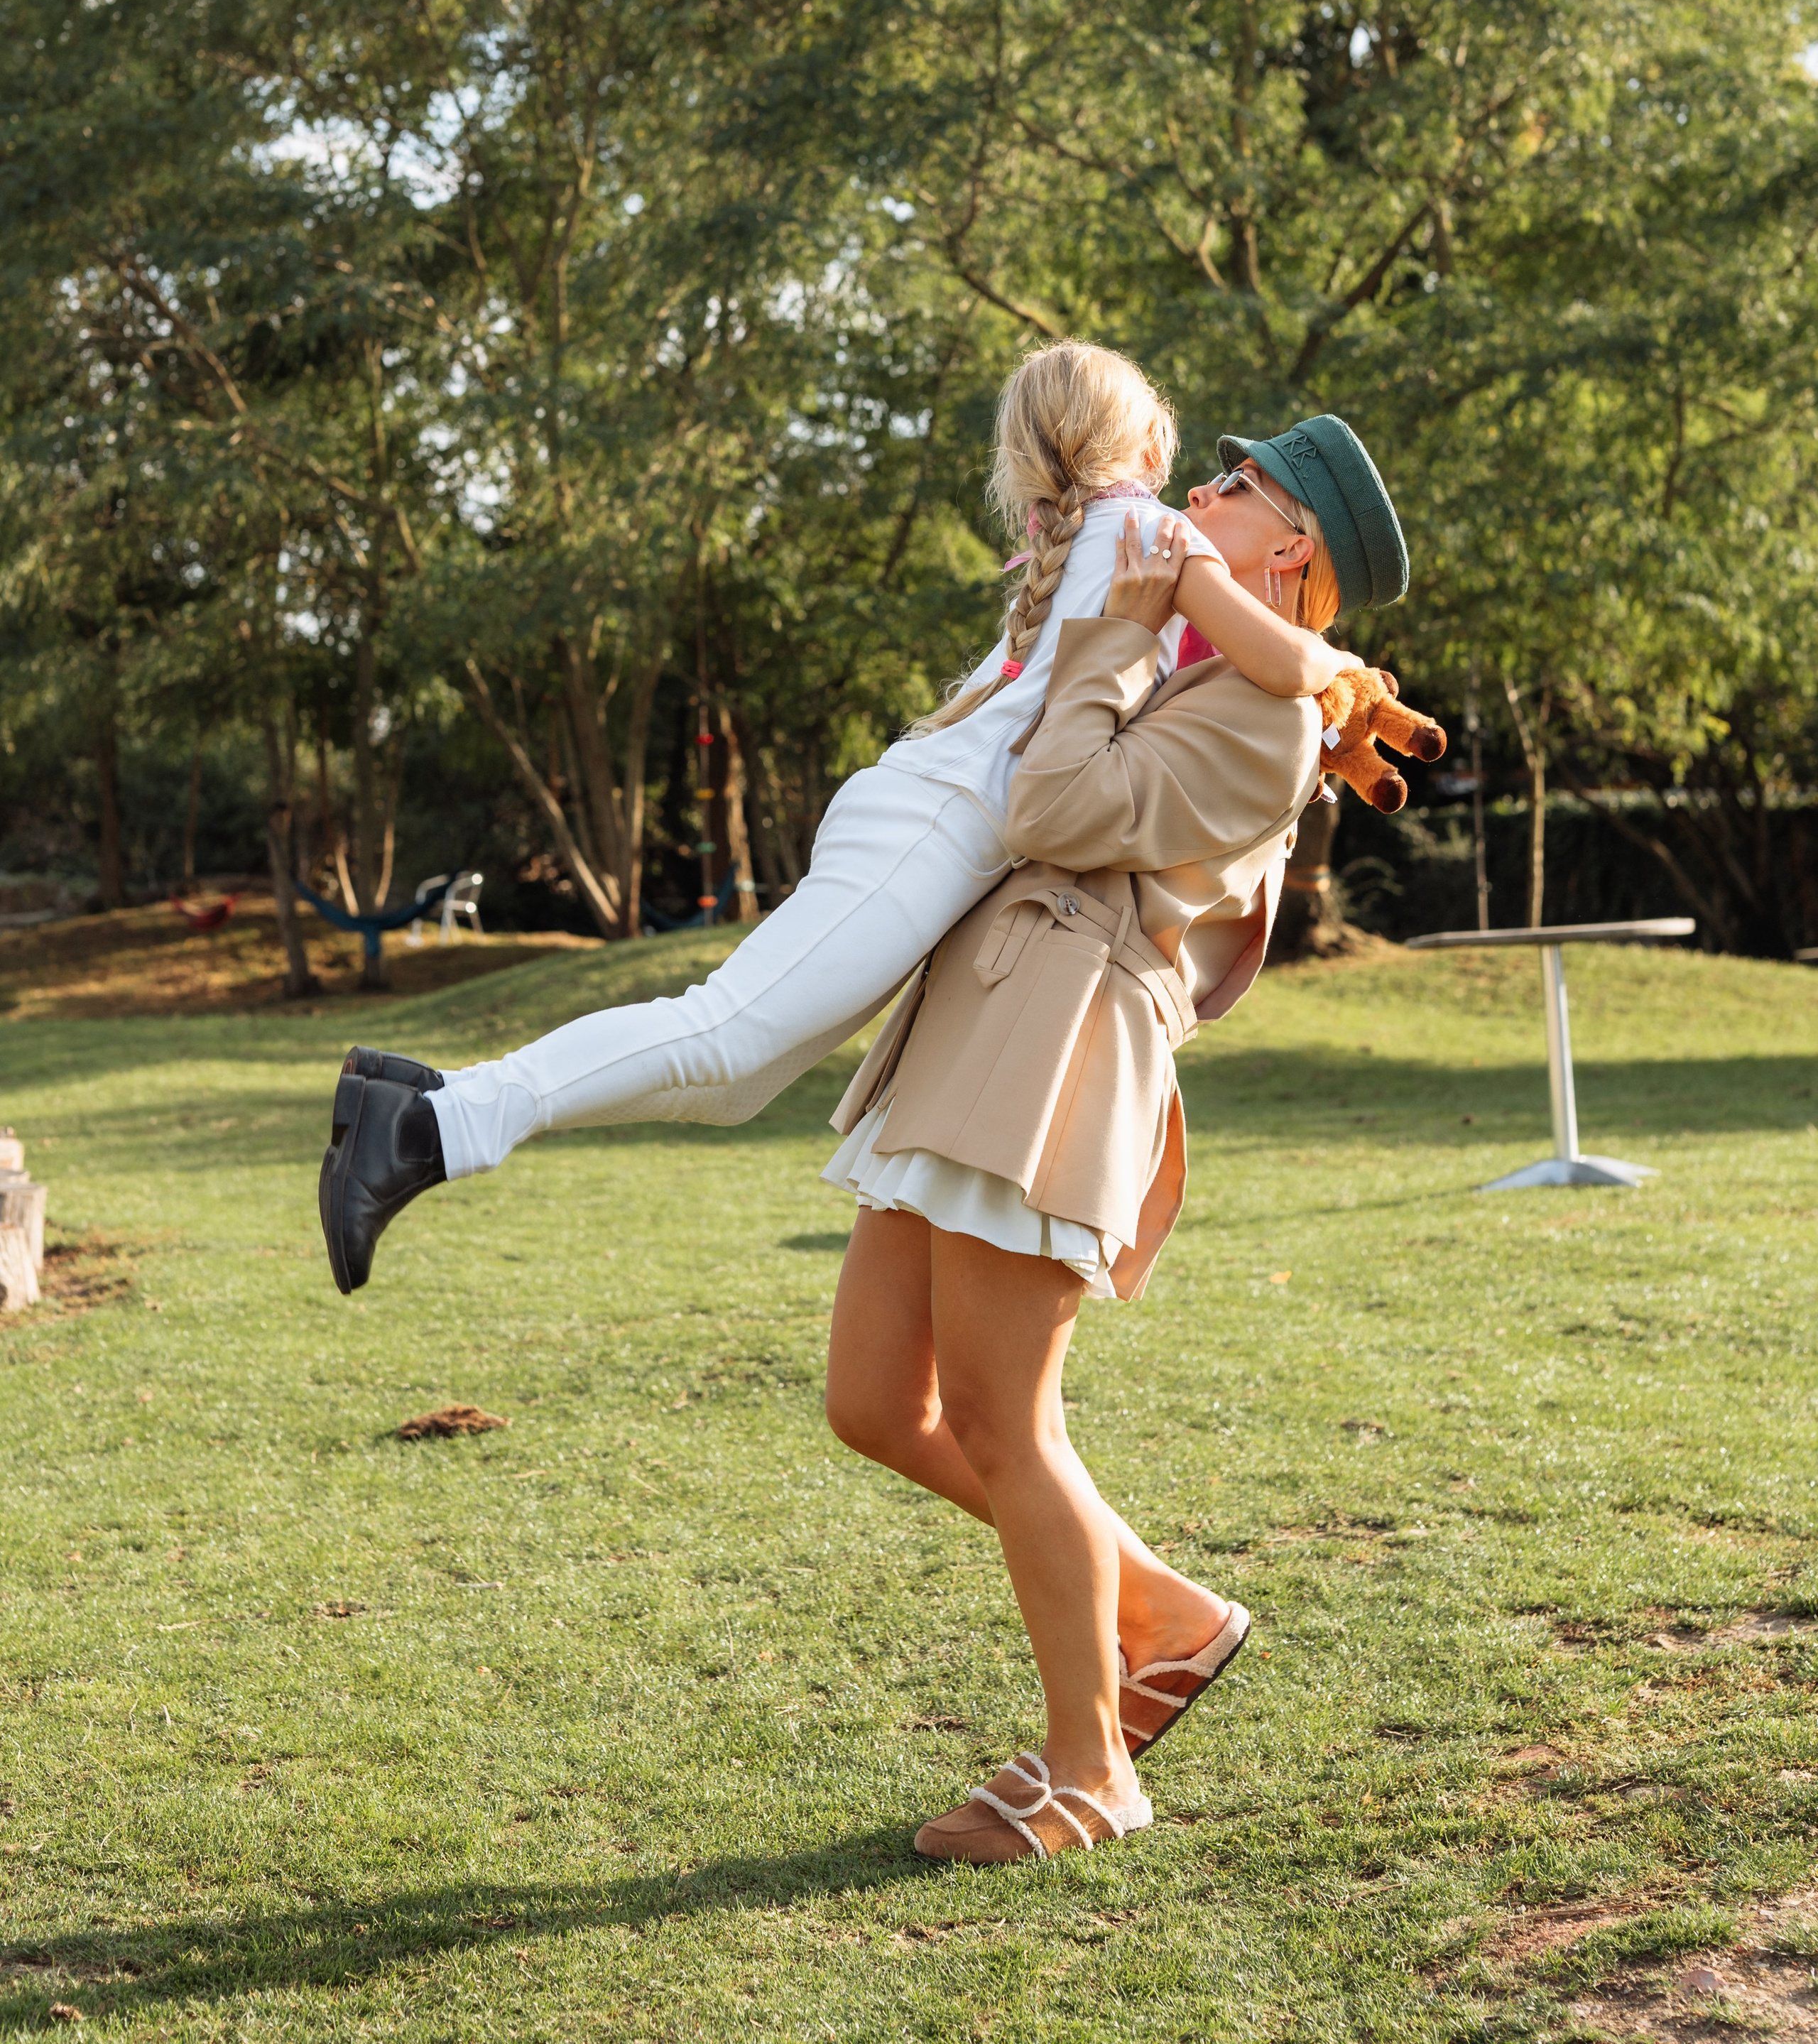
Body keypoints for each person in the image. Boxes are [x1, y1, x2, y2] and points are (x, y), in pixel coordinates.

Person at [317, 347, 1361, 1295]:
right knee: (722, 1036)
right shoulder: (1154, 532)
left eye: (1231, 483)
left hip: (925, 819)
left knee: (734, 1080)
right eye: (1184, 453)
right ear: (1133, 442)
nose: (1197, 483)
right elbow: (1281, 658)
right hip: (934, 826)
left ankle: (410, 1097)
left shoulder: (1096, 532)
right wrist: (1345, 680)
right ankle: (431, 1127)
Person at [820, 416, 1412, 1864]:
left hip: (1060, 1044)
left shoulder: (1267, 716)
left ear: (1289, 551)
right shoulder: (1207, 662)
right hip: (989, 1022)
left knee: (1007, 1427)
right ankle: (1160, 1612)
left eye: (1234, 486)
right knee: (869, 1401)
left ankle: (1092, 1773)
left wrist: (1114, 639)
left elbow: (1056, 806)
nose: (1191, 495)